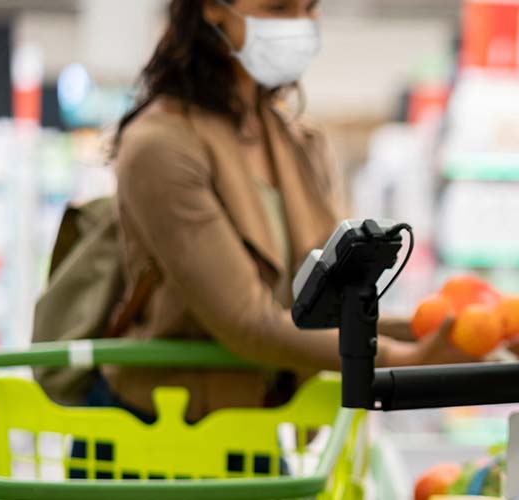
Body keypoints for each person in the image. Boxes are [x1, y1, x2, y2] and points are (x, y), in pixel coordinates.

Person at [99, 0, 476, 421]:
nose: (300, 27)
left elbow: (323, 306)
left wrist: (447, 331)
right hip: (161, 438)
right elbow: (247, 322)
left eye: (309, 9)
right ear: (211, 9)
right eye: (278, 9)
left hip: (260, 427)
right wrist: (400, 358)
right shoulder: (161, 146)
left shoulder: (297, 143)